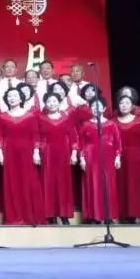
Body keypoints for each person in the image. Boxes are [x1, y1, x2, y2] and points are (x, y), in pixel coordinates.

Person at [0, 87, 44, 226]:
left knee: (29, 181)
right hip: (9, 152)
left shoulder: (30, 116)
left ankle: (30, 216)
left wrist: (36, 152)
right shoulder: (2, 116)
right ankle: (14, 217)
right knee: (11, 183)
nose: (12, 98)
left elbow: (35, 135)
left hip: (27, 152)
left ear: (21, 98)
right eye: (9, 96)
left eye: (15, 96)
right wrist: (0, 153)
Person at [79, 97, 122, 223]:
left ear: (103, 108)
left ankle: (109, 215)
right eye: (93, 106)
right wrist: (82, 158)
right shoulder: (85, 125)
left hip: (108, 157)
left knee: (108, 185)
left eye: (98, 106)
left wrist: (118, 157)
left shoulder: (112, 124)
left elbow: (118, 142)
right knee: (93, 185)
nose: (95, 108)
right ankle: (94, 216)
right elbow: (81, 143)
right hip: (90, 158)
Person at [39, 93, 78, 225]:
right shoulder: (41, 119)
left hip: (63, 154)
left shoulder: (66, 118)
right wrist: (38, 152)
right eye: (49, 101)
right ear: (45, 104)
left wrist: (74, 153)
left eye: (54, 101)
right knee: (48, 183)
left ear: (59, 102)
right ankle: (50, 215)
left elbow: (73, 137)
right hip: (47, 154)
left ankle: (64, 214)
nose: (52, 104)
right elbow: (37, 137)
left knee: (63, 184)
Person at [115, 93, 140, 223]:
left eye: (127, 103)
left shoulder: (139, 120)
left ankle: (137, 214)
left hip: (136, 156)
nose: (124, 106)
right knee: (121, 185)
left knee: (135, 186)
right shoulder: (113, 121)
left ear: (132, 106)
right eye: (121, 103)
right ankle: (123, 214)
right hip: (119, 157)